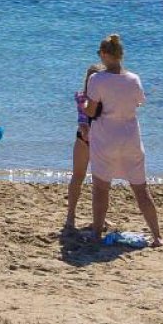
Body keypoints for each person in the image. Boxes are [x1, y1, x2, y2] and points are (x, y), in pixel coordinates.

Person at [84, 34, 163, 246]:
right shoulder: (133, 79)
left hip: (105, 136)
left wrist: (85, 106)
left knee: (101, 187)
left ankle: (95, 234)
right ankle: (157, 236)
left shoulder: (96, 79)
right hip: (130, 136)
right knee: (140, 188)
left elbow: (91, 111)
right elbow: (138, 103)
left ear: (104, 55)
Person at [65, 57, 102, 233]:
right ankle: (70, 215)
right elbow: (82, 119)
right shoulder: (82, 96)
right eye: (91, 79)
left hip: (102, 141)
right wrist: (85, 130)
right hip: (84, 139)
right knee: (78, 176)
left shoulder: (106, 97)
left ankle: (99, 217)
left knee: (100, 181)